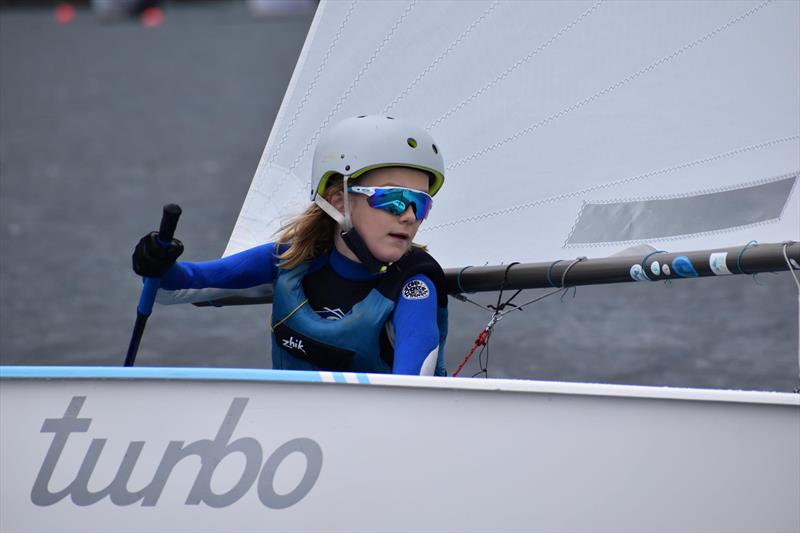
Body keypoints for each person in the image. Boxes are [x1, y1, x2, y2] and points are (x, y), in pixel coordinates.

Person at [132, 115, 448, 375]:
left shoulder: (413, 290)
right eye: (392, 199)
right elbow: (173, 289)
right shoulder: (292, 261)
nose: (409, 216)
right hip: (294, 443)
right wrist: (158, 263)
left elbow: (410, 399)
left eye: (420, 204)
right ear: (339, 202)